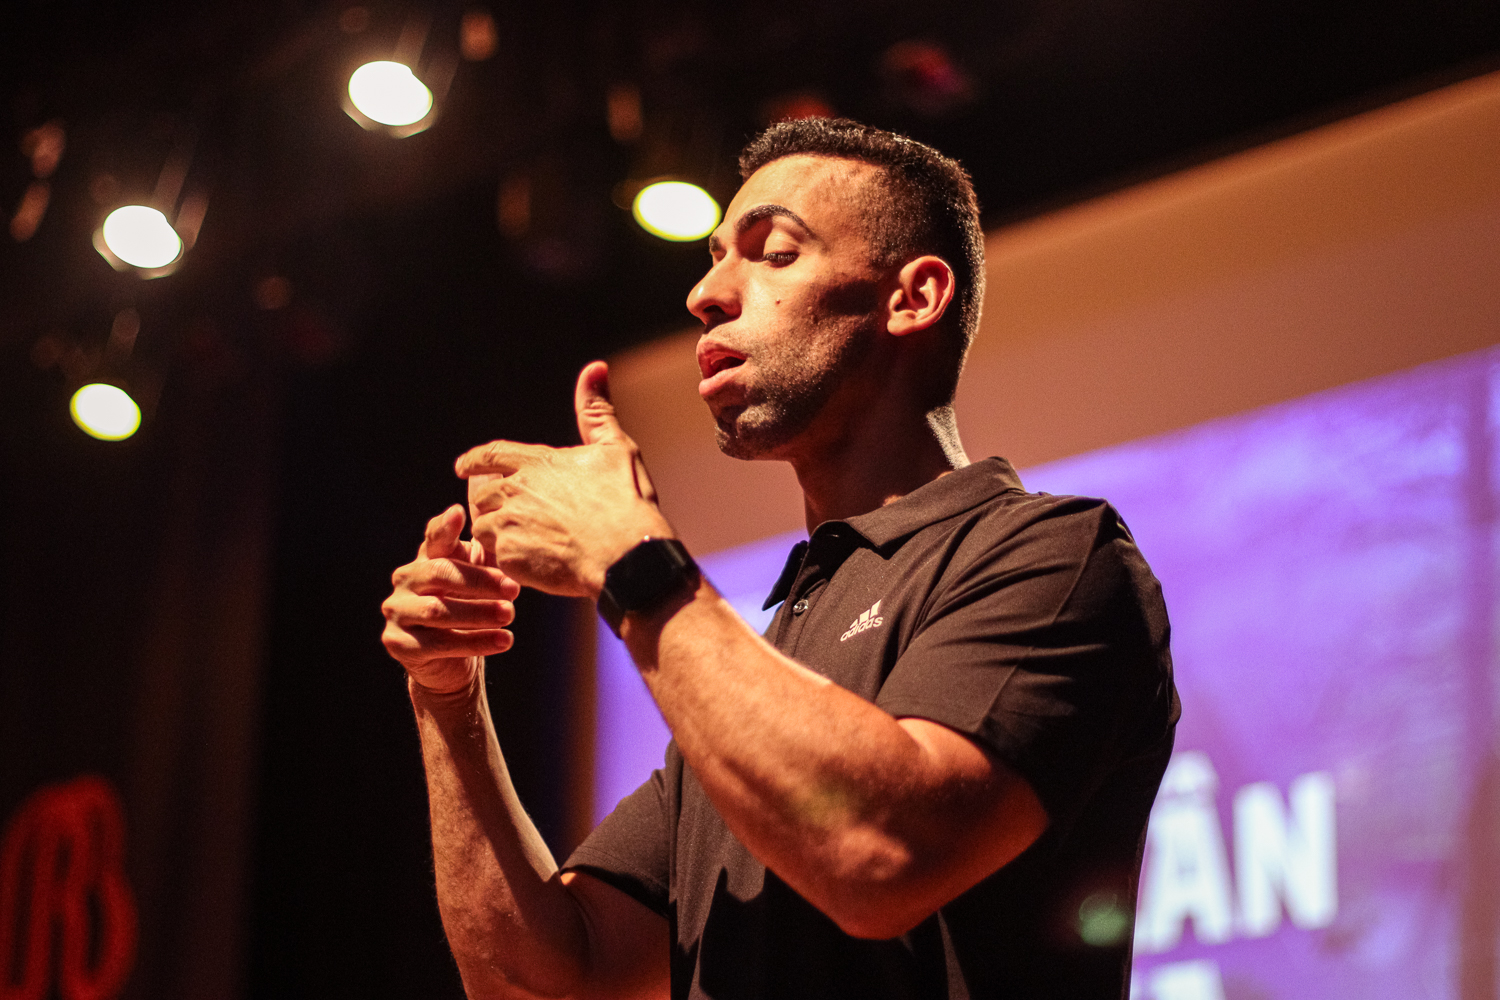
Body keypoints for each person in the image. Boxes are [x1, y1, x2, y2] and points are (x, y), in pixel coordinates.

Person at [380, 118, 1178, 999]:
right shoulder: (762, 667)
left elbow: (883, 854)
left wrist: (628, 555)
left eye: (775, 252)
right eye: (715, 257)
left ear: (912, 298)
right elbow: (542, 982)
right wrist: (449, 699)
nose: (706, 293)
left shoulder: (1056, 556)